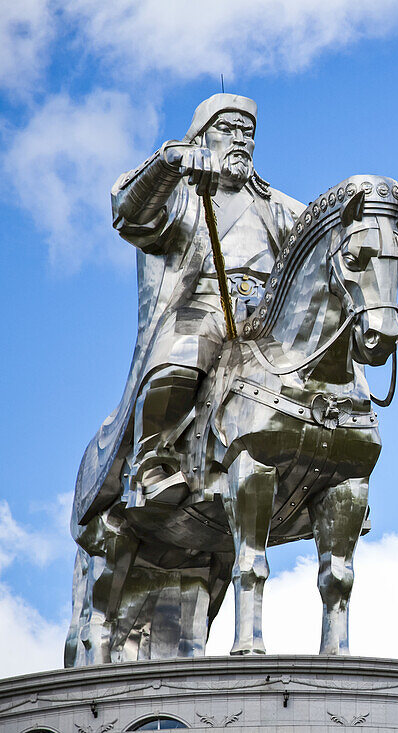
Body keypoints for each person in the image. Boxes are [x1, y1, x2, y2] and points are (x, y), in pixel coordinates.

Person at [73, 93, 304, 521]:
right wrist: (168, 162)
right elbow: (130, 215)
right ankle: (152, 462)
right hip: (202, 307)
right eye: (227, 129)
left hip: (266, 317)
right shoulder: (180, 194)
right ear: (201, 136)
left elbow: (318, 241)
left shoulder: (278, 205)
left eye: (247, 133)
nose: (240, 140)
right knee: (184, 352)